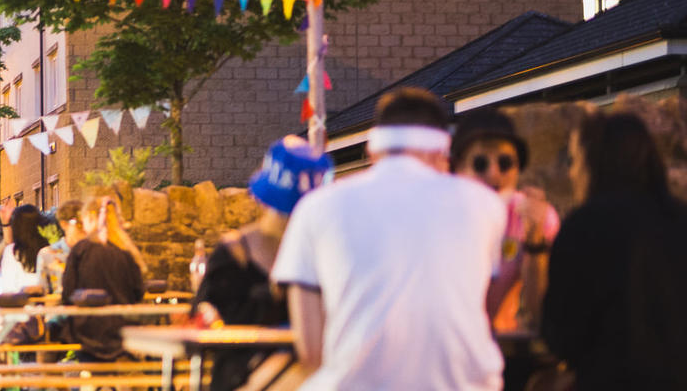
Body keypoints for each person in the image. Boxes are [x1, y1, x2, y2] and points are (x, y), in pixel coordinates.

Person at [271, 87, 506, 390]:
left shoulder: (317, 206)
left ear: (372, 150)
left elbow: (312, 351)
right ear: (441, 152)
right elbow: (486, 310)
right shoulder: (485, 204)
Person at [542, 112, 687, 390]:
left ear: (594, 162)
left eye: (574, 161)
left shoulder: (583, 227)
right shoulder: (680, 220)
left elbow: (561, 337)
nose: (571, 173)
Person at [191, 136, 331, 391]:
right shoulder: (235, 254)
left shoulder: (324, 255)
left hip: (306, 372)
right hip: (245, 374)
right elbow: (202, 319)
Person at [449, 108, 561, 335]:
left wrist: (534, 241)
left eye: (505, 162)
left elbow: (541, 309)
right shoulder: (439, 214)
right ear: (459, 167)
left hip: (500, 344)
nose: (494, 174)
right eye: (480, 163)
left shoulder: (534, 215)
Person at [58, 195, 146, 363]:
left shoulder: (80, 250)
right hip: (123, 333)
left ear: (91, 218)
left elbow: (68, 293)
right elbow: (138, 292)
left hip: (87, 334)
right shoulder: (126, 252)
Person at [0, 205, 50, 294]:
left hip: (20, 303)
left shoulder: (11, 252)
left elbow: (8, 287)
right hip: (47, 303)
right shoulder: (48, 249)